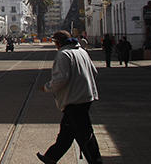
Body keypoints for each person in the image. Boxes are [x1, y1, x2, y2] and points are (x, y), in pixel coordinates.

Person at [38, 30, 103, 164]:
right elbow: (94, 72)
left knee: (84, 135)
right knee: (67, 131)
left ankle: (96, 161)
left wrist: (47, 87)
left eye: (55, 42)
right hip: (86, 97)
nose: (55, 45)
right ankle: (51, 157)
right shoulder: (82, 52)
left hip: (74, 100)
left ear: (59, 42)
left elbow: (61, 79)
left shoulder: (63, 54)